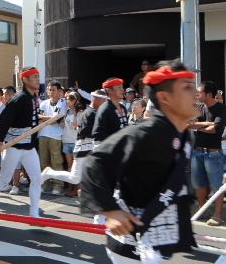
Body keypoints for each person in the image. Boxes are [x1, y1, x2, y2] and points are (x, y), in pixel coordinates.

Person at [80, 60, 198, 262]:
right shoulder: (145, 132)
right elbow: (95, 163)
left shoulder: (183, 133)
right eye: (187, 88)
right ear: (164, 97)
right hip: (132, 239)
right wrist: (111, 210)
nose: (196, 93)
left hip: (159, 233)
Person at [0, 67, 43, 221]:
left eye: (38, 76)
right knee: (3, 178)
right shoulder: (19, 98)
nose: (37, 79)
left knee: (36, 179)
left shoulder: (34, 98)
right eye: (34, 77)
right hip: (14, 145)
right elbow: (4, 121)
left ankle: (34, 214)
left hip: (29, 147)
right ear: (25, 79)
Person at [41, 90, 106, 198]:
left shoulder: (88, 112)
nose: (105, 103)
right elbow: (85, 132)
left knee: (82, 176)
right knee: (75, 177)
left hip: (88, 148)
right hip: (83, 148)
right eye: (104, 100)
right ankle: (49, 173)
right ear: (97, 99)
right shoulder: (90, 113)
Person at [188, 80, 226, 226]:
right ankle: (202, 210)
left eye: (200, 92)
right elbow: (190, 124)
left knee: (216, 185)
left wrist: (201, 126)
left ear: (209, 94)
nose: (197, 94)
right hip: (197, 152)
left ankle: (217, 214)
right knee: (198, 183)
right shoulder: (201, 108)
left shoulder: (220, 108)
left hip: (213, 153)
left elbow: (216, 129)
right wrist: (207, 124)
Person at [38, 80, 67, 195]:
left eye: (53, 90)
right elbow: (39, 117)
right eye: (49, 89)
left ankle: (58, 185)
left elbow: (58, 121)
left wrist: (48, 119)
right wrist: (52, 118)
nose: (50, 92)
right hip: (43, 134)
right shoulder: (44, 103)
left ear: (59, 91)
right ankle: (45, 183)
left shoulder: (63, 103)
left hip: (56, 135)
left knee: (56, 162)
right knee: (44, 161)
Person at [92, 78, 128, 145]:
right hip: (110, 150)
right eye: (119, 87)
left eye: (122, 87)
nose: (122, 89)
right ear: (109, 90)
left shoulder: (123, 107)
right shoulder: (105, 109)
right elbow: (98, 133)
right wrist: (116, 140)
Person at [62, 91, 83, 196]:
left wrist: (77, 126)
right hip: (66, 140)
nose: (66, 101)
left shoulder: (80, 112)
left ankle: (76, 189)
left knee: (76, 166)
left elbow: (84, 129)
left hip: (76, 141)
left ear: (74, 100)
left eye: (68, 99)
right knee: (69, 166)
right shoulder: (66, 111)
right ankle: (70, 188)